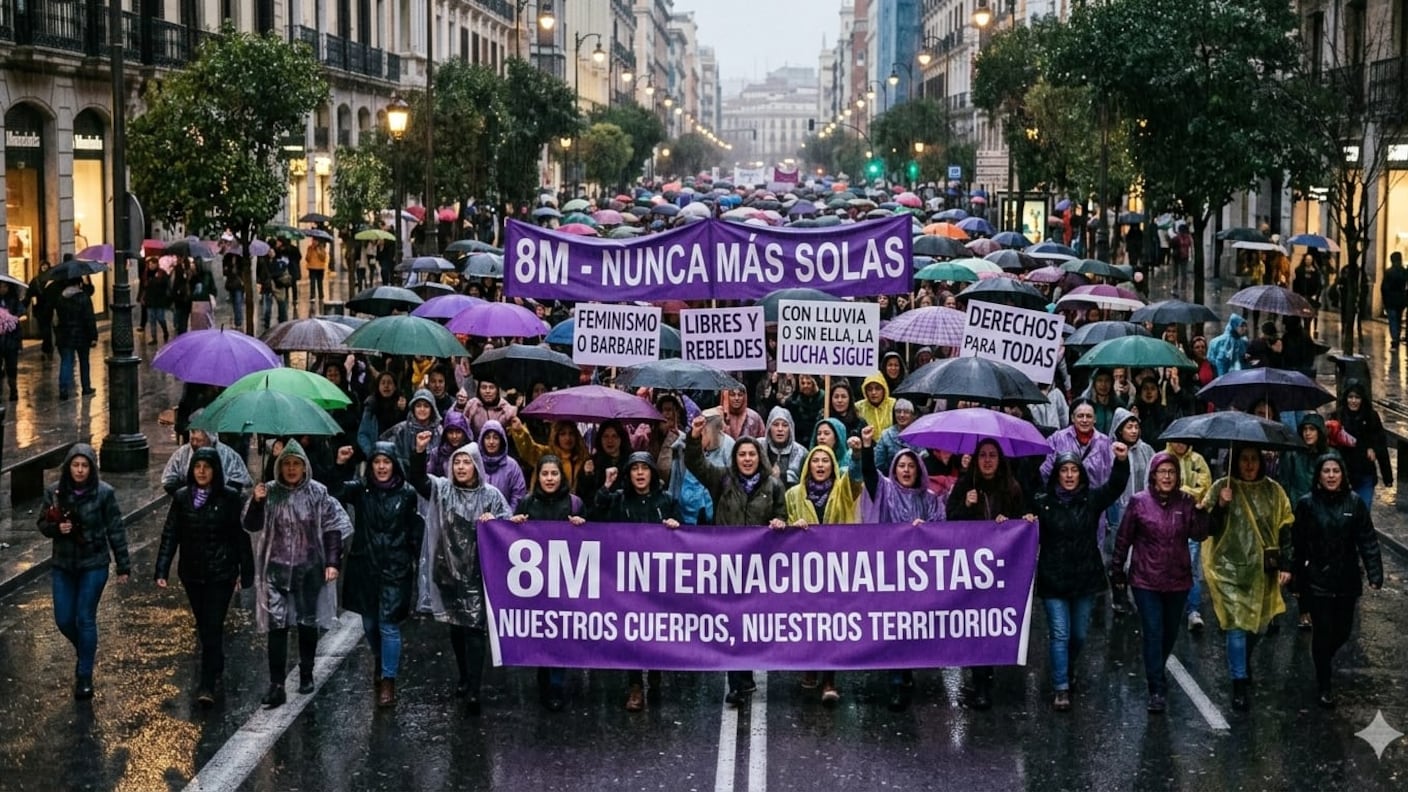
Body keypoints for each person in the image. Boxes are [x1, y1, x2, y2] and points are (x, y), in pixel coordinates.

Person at [684, 414, 788, 706]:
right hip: (727, 565)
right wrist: (694, 438)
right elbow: (695, 463)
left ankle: (747, 676)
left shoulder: (773, 486)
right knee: (732, 624)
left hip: (759, 569)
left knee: (751, 624)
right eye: (741, 454)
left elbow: (782, 515)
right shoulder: (723, 479)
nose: (746, 459)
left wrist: (780, 522)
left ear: (760, 457)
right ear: (735, 458)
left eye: (751, 454)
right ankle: (737, 683)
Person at [243, 440, 352, 709]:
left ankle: (306, 672)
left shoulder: (318, 493)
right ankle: (277, 684)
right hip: (275, 572)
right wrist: (257, 503)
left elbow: (333, 526)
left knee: (306, 622)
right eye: (287, 464)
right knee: (276, 626)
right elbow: (250, 524)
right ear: (279, 467)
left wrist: (332, 561)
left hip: (308, 570)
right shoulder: (268, 492)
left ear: (305, 468)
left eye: (296, 464)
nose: (291, 469)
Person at [409, 431, 511, 713]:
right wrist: (418, 452)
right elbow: (418, 481)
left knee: (474, 630)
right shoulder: (443, 490)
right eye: (457, 462)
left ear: (476, 465)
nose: (461, 467)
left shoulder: (491, 495)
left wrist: (496, 521)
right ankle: (464, 676)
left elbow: (509, 527)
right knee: (456, 627)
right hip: (448, 571)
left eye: (467, 462)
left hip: (479, 574)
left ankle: (475, 690)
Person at [1033, 441, 1130, 712]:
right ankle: (1061, 686)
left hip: (1084, 577)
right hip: (1054, 578)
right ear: (1057, 474)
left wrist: (1121, 462)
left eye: (1073, 470)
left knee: (1079, 634)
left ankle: (1068, 665)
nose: (1069, 475)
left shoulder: (1091, 500)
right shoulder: (1043, 502)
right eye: (1064, 470)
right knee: (1060, 634)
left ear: (1080, 474)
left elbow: (1115, 487)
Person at [1111, 452, 1211, 713]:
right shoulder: (1139, 502)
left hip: (1177, 580)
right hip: (1146, 579)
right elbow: (1124, 538)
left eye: (1172, 472)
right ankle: (1156, 687)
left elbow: (1199, 534)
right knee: (1153, 631)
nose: (1167, 477)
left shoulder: (1186, 502)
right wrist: (1117, 572)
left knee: (1169, 632)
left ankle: (1157, 668)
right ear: (1153, 475)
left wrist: (1205, 512)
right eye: (1162, 472)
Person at [154, 447, 254, 706]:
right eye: (197, 467)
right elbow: (171, 534)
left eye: (206, 467)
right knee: (205, 625)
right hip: (192, 573)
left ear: (215, 470)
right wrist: (162, 569)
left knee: (211, 624)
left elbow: (240, 537)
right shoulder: (182, 498)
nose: (201, 472)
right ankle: (216, 661)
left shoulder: (230, 498)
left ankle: (206, 683)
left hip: (221, 573)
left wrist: (246, 571)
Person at [1200, 445, 1293, 711]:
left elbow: (1286, 527)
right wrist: (1220, 506)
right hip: (1227, 569)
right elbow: (1206, 528)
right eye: (1244, 460)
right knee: (1236, 626)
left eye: (1254, 459)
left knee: (1259, 626)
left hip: (1262, 571)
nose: (1250, 465)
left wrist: (1286, 564)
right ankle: (1238, 682)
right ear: (1235, 462)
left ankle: (1242, 659)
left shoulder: (1274, 490)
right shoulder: (1222, 487)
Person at [858, 427, 944, 712]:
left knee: (913, 629)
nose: (906, 470)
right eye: (901, 466)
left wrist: (927, 531)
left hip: (920, 577)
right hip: (891, 573)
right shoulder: (886, 491)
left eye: (911, 466)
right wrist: (868, 446)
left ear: (919, 470)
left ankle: (905, 671)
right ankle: (896, 682)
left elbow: (944, 536)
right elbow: (870, 475)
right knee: (896, 627)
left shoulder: (929, 499)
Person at [1287, 452, 1384, 707]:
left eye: (1335, 471)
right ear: (1319, 475)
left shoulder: (1354, 504)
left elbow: (1367, 539)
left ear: (1343, 474)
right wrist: (1295, 575)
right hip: (1317, 580)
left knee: (1342, 632)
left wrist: (1375, 573)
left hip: (1346, 580)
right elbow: (1296, 542)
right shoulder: (1307, 504)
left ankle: (1322, 660)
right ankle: (1324, 684)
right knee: (1323, 631)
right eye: (1326, 471)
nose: (1331, 476)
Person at [332, 442, 423, 708]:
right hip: (366, 566)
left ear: (394, 464)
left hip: (396, 567)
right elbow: (334, 491)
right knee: (370, 624)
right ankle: (380, 658)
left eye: (387, 462)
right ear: (371, 465)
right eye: (377, 462)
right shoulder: (361, 490)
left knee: (389, 625)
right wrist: (340, 464)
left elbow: (413, 528)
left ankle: (388, 679)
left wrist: (413, 561)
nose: (382, 467)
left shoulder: (406, 494)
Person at [37, 445, 130, 699]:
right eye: (75, 465)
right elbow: (42, 523)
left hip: (94, 563)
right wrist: (57, 529)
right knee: (64, 618)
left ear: (92, 468)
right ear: (68, 467)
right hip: (64, 564)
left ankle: (84, 675)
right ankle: (85, 651)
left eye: (85, 465)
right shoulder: (54, 493)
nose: (79, 470)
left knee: (84, 617)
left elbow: (116, 529)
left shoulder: (104, 494)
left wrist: (123, 565)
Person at [945, 439, 1030, 709]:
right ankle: (979, 681)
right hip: (970, 568)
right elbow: (949, 521)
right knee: (974, 623)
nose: (988, 460)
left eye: (993, 455)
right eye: (983, 455)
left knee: (990, 623)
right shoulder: (965, 486)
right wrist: (966, 506)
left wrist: (1016, 522)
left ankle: (987, 674)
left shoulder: (1012, 488)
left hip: (1000, 570)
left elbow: (1022, 521)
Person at [595, 452, 681, 711]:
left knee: (655, 627)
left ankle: (655, 668)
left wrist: (677, 527)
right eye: (635, 469)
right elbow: (596, 518)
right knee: (632, 630)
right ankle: (635, 685)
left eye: (645, 468)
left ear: (653, 472)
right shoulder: (620, 500)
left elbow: (685, 537)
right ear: (628, 473)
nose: (640, 473)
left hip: (657, 577)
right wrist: (606, 487)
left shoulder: (666, 501)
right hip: (628, 578)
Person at [784, 440, 864, 707]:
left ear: (832, 465)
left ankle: (829, 680)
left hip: (836, 566)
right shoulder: (793, 494)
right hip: (804, 569)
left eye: (825, 461)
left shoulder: (843, 489)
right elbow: (781, 523)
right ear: (809, 465)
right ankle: (810, 664)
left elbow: (855, 479)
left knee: (831, 625)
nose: (820, 465)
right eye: (816, 461)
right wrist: (790, 525)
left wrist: (856, 454)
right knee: (808, 621)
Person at [510, 456, 586, 711]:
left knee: (559, 635)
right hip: (536, 582)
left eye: (554, 473)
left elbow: (592, 542)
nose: (550, 478)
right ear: (538, 477)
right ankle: (544, 676)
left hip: (565, 581)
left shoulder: (574, 504)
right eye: (545, 474)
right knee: (541, 632)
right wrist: (516, 525)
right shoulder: (526, 503)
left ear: (561, 477)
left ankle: (556, 685)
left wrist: (581, 526)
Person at [161, 415, 255, 498]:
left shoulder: (229, 455)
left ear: (210, 438)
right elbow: (168, 480)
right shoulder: (182, 453)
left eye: (199, 440)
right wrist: (188, 493)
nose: (194, 443)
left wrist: (219, 495)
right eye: (192, 439)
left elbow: (240, 481)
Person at [1334, 380, 1391, 509]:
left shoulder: (1371, 416)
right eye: (1350, 397)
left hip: (1365, 474)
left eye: (1357, 397)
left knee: (1363, 512)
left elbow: (1381, 444)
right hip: (1344, 475)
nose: (1353, 401)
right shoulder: (1338, 416)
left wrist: (1387, 477)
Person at [54, 277, 97, 400]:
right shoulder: (83, 297)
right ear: (79, 284)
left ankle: (63, 388)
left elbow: (57, 318)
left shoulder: (61, 298)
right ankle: (86, 387)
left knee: (66, 362)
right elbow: (89, 318)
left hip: (65, 335)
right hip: (82, 335)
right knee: (84, 362)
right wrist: (93, 336)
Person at [762, 406, 808, 486]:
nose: (780, 429)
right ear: (769, 428)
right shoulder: (759, 447)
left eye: (785, 425)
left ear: (790, 428)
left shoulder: (801, 452)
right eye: (776, 425)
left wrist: (783, 476)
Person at [0, 278, 24, 400]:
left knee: (11, 367)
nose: (2, 289)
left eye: (5, 286)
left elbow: (21, 311)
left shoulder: (13, 301)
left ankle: (13, 390)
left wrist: (10, 317)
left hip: (11, 340)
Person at [27, 259, 55, 359]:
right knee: (45, 329)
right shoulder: (36, 280)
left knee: (46, 329)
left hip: (49, 307)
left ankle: (46, 349)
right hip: (39, 308)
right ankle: (47, 349)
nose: (44, 269)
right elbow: (29, 293)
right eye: (43, 267)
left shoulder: (52, 280)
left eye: (46, 267)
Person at [140, 257, 171, 344]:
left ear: (157, 264)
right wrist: (142, 297)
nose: (151, 266)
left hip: (159, 300)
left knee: (160, 318)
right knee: (152, 320)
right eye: (150, 264)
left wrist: (156, 280)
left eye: (153, 264)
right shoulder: (146, 273)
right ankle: (154, 338)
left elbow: (166, 285)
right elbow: (143, 287)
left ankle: (165, 331)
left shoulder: (162, 273)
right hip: (149, 300)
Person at [1292, 254, 1323, 336]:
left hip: (1312, 297)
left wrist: (1316, 295)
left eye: (1310, 260)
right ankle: (1305, 332)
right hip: (1302, 296)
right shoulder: (1299, 271)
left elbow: (1319, 285)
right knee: (1303, 316)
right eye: (1307, 259)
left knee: (1310, 316)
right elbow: (1296, 284)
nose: (1308, 261)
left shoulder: (1316, 272)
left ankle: (1308, 331)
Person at [1381, 251, 1407, 346]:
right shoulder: (1404, 272)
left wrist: (1384, 300)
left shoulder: (1389, 272)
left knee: (1393, 320)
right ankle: (1397, 336)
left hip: (1391, 300)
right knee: (1398, 319)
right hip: (1401, 300)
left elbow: (1384, 288)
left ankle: (1395, 338)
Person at [305, 239, 328, 305]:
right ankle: (312, 296)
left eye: (315, 241)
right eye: (313, 240)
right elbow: (307, 258)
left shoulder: (321, 248)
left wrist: (318, 251)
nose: (314, 242)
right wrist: (311, 250)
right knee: (312, 282)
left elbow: (323, 258)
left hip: (320, 268)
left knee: (319, 283)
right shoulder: (310, 248)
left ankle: (321, 295)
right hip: (312, 268)